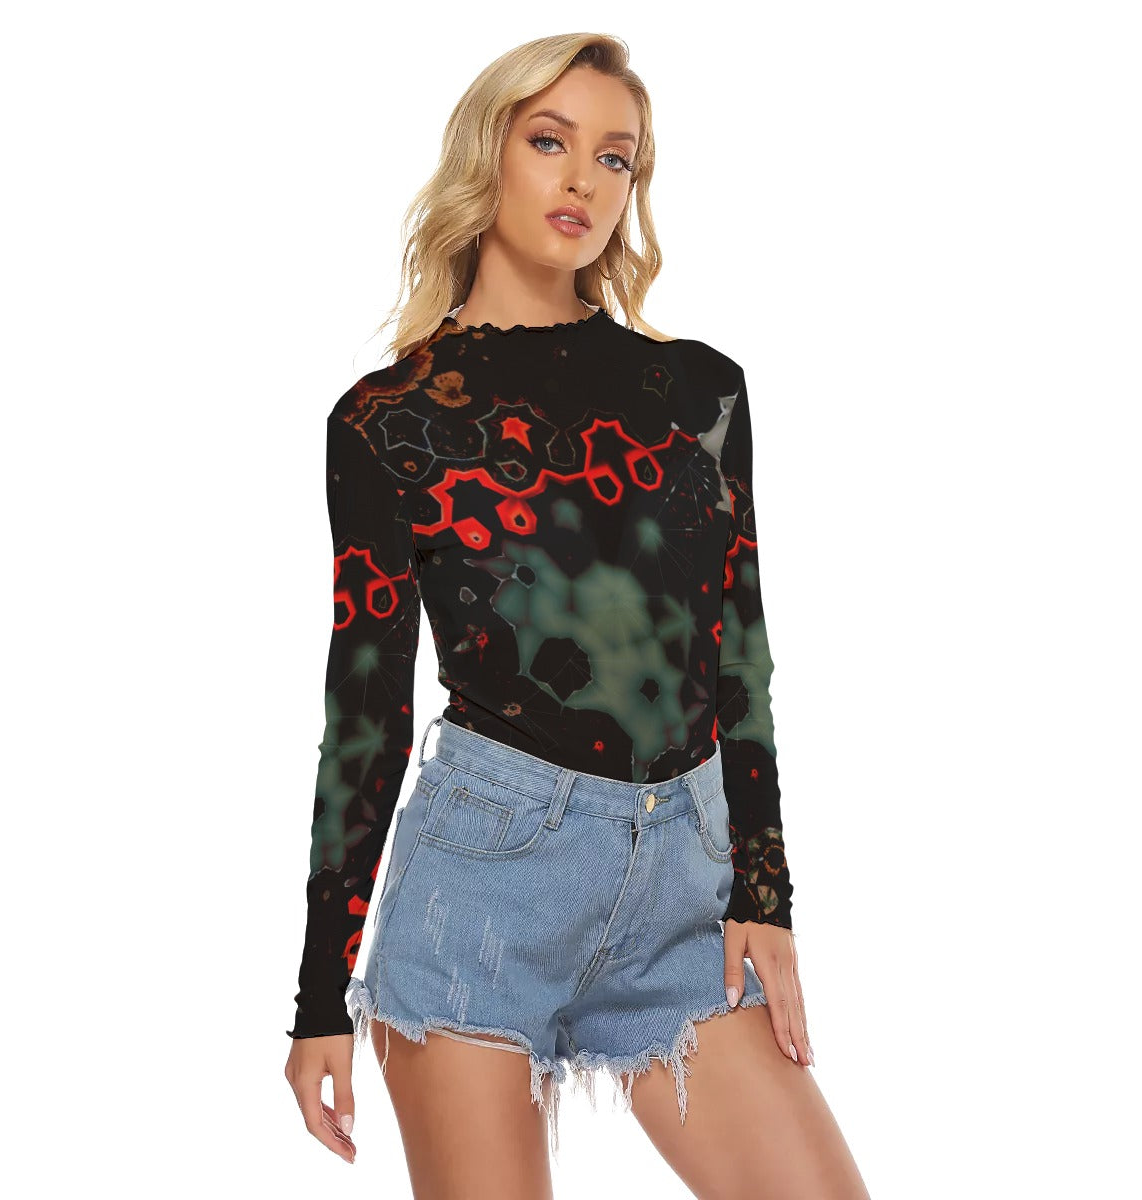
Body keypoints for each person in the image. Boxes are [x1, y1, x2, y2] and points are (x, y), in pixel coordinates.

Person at [284, 32, 870, 1200]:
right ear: (486, 157)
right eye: (550, 142)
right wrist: (318, 1000)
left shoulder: (700, 390)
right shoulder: (388, 420)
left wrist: (765, 890)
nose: (584, 181)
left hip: (686, 888)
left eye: (616, 158)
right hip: (483, 886)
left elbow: (739, 655)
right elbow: (365, 715)